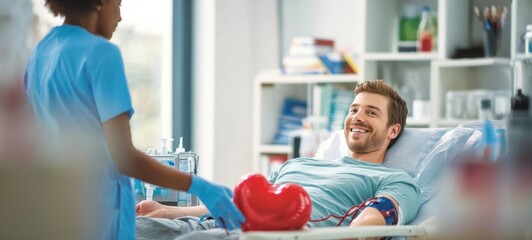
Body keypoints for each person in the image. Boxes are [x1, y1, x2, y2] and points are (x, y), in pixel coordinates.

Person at [23, 0, 244, 239]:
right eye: (118, 4)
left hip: (56, 213)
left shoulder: (40, 53)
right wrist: (200, 186)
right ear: (100, 3)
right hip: (99, 217)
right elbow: (124, 157)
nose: (119, 17)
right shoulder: (100, 53)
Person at [136, 80, 422, 233]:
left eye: (371, 112)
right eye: (354, 109)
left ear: (393, 130)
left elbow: (368, 224)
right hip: (214, 223)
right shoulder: (298, 164)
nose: (357, 117)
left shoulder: (396, 181)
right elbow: (238, 204)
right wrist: (169, 212)